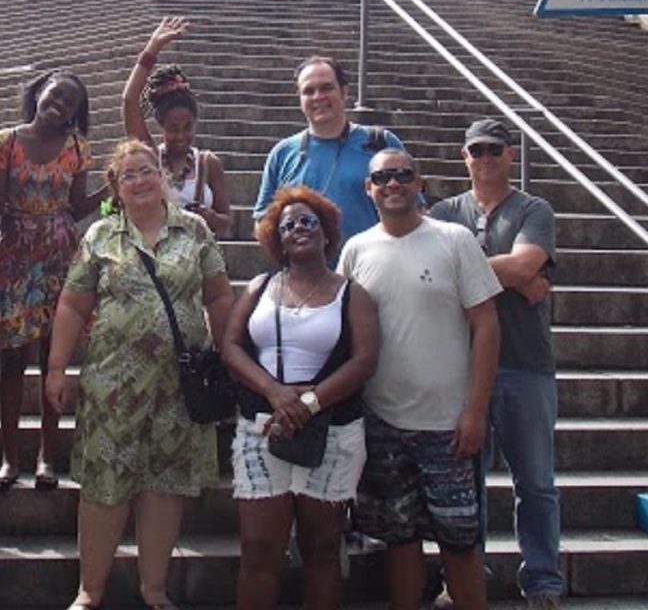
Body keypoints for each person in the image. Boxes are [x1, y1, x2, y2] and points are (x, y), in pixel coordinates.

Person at [45, 140, 234, 610]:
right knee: (104, 486)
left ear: (162, 176)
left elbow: (218, 295)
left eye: (147, 170)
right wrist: (56, 367)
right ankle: (90, 590)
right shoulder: (101, 235)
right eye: (128, 175)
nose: (140, 180)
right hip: (114, 384)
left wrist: (227, 358)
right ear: (116, 187)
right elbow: (73, 304)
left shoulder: (194, 229)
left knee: (164, 486)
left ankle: (154, 589)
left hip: (177, 386)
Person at [338, 149, 502, 610]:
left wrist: (476, 410)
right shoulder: (356, 250)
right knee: (400, 539)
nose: (392, 183)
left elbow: (486, 324)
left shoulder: (454, 239)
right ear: (368, 188)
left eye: (402, 175)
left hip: (447, 426)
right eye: (382, 177)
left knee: (459, 542)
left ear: (419, 183)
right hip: (382, 423)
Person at [222, 186, 378, 610]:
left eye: (308, 221)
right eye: (287, 225)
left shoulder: (353, 293)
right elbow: (231, 347)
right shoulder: (259, 287)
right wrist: (273, 392)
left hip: (331, 429)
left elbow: (364, 360)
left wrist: (309, 404)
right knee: (258, 548)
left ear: (326, 232)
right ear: (277, 240)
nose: (298, 229)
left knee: (323, 548)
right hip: (263, 425)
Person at [430, 118, 562, 610]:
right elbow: (429, 271)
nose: (484, 158)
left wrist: (471, 270)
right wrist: (514, 275)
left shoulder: (533, 209)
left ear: (511, 154)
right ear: (464, 157)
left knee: (536, 482)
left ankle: (543, 579)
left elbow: (526, 265)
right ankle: (466, 576)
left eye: (494, 149)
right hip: (461, 366)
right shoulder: (445, 212)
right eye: (476, 150)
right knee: (467, 484)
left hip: (526, 363)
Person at [0, 69, 105, 491]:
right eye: (55, 94)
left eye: (70, 102)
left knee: (55, 356)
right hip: (14, 253)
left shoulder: (77, 148)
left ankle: (47, 457)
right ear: (38, 93)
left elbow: (76, 207)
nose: (60, 104)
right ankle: (9, 458)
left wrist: (109, 191)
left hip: (60, 255)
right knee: (12, 357)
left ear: (75, 112)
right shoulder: (6, 141)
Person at [253, 55, 405, 248]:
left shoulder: (381, 144)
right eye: (309, 91)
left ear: (344, 92)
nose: (318, 97)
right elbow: (262, 223)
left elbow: (414, 210)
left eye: (326, 88)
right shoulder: (282, 154)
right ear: (300, 99)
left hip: (372, 263)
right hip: (305, 266)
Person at [121, 17, 232, 237]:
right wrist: (153, 47)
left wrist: (209, 216)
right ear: (161, 127)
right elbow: (129, 101)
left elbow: (226, 221)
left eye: (187, 127)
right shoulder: (151, 158)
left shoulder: (208, 163)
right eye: (172, 128)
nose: (181, 135)